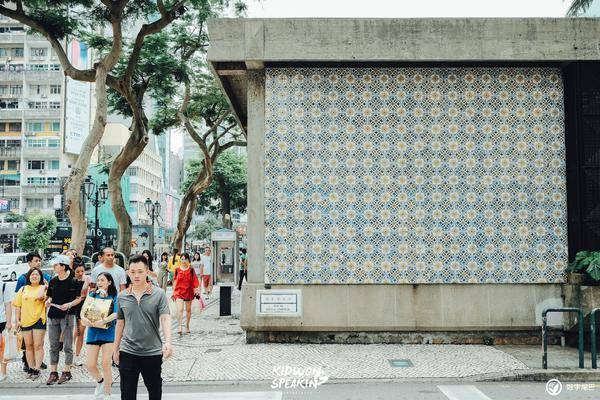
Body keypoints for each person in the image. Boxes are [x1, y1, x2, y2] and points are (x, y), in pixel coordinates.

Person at [113, 254, 172, 400]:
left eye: (140, 271)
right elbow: (120, 323)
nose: (136, 275)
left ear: (147, 271)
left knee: (155, 391)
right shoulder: (122, 296)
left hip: (152, 352)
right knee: (127, 394)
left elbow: (165, 318)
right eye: (132, 272)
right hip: (128, 351)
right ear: (128, 273)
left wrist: (168, 342)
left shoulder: (159, 294)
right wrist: (115, 349)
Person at [45, 255, 81, 385]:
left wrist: (69, 304)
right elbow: (49, 297)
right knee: (53, 345)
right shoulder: (53, 281)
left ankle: (67, 371)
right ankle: (53, 372)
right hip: (53, 315)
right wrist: (49, 301)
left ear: (63, 266)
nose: (54, 267)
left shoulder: (73, 281)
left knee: (67, 345)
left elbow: (79, 298)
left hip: (67, 315)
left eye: (56, 265)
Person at [82, 272, 119, 400]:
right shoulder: (92, 295)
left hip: (108, 332)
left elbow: (116, 314)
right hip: (93, 332)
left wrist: (103, 321)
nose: (100, 283)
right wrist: (84, 320)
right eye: (98, 280)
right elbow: (83, 312)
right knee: (90, 365)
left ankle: (108, 393)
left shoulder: (114, 296)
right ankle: (100, 381)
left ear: (109, 282)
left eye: (102, 280)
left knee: (105, 363)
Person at [14, 252, 49, 372]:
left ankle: (37, 368)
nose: (34, 276)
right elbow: (17, 305)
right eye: (32, 275)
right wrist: (17, 320)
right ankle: (30, 365)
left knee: (38, 345)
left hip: (39, 319)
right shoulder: (22, 285)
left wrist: (44, 285)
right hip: (25, 320)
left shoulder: (45, 282)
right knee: (28, 346)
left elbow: (42, 297)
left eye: (40, 261)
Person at [172, 253, 199, 335]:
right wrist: (173, 292)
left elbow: (195, 280)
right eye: (182, 259)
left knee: (188, 310)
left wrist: (196, 290)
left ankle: (187, 325)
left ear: (188, 260)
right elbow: (175, 281)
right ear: (180, 260)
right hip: (179, 292)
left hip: (189, 292)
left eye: (185, 259)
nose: (183, 261)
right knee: (180, 309)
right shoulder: (177, 270)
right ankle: (179, 326)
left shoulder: (191, 269)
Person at [72, 258, 91, 367]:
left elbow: (91, 292)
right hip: (72, 305)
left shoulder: (87, 279)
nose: (80, 273)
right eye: (77, 271)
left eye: (82, 271)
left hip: (83, 306)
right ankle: (70, 351)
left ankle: (77, 356)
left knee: (81, 332)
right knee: (73, 331)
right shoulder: (71, 280)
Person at [0, 278, 14, 382]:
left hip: (1, 320)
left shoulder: (4, 286)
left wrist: (9, 322)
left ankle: (3, 373)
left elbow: (8, 304)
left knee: (2, 348)